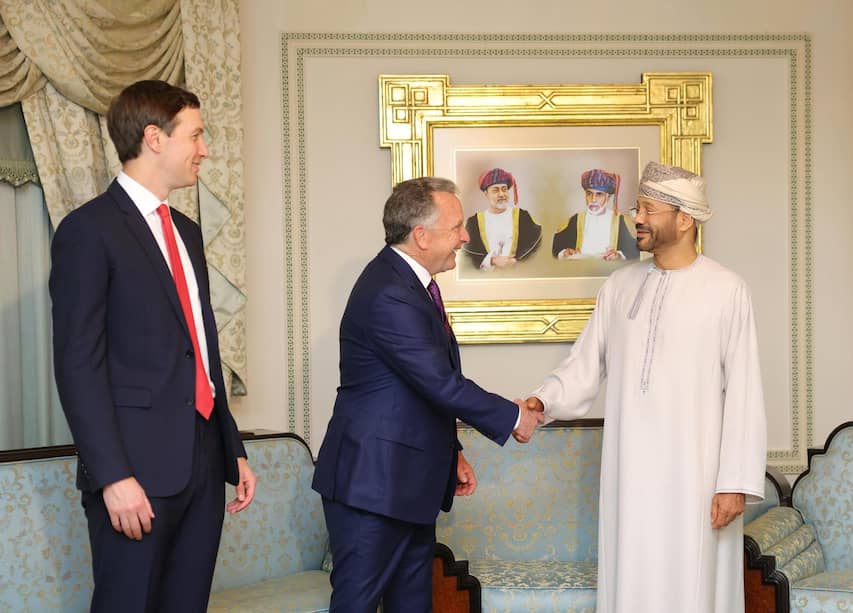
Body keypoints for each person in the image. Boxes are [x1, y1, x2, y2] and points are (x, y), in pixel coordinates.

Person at [49, 80, 256, 613]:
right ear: (154, 138)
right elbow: (78, 365)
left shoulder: (186, 232)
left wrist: (230, 448)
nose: (205, 149)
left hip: (203, 466)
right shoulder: (87, 231)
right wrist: (113, 476)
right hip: (134, 472)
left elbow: (201, 347)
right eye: (197, 135)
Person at [525, 161, 767, 612]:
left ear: (684, 219)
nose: (636, 217)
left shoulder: (727, 290)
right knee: (631, 574)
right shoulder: (619, 286)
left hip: (696, 476)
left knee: (694, 582)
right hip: (630, 471)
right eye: (637, 207)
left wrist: (733, 482)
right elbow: (585, 362)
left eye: (649, 209)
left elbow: (745, 390)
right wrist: (543, 400)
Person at [312, 176, 544, 613]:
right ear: (421, 235)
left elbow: (416, 389)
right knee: (357, 605)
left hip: (406, 483)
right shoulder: (388, 292)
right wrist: (513, 417)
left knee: (412, 606)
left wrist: (451, 451)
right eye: (456, 226)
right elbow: (439, 381)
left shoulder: (409, 284)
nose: (465, 236)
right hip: (373, 486)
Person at [462, 167, 542, 270]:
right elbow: (467, 254)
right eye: (495, 190)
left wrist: (516, 262)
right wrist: (492, 260)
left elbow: (536, 245)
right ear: (486, 194)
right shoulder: (474, 223)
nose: (501, 194)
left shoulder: (523, 217)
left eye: (504, 189)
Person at [552, 168, 639, 261]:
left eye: (599, 194)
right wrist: (565, 252)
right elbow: (557, 247)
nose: (593, 199)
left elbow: (635, 251)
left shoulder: (621, 221)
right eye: (589, 193)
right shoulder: (576, 219)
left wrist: (618, 255)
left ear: (608, 197)